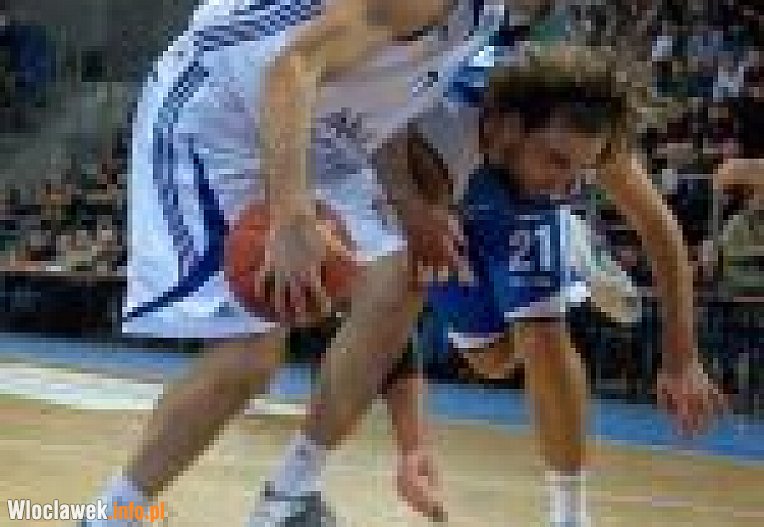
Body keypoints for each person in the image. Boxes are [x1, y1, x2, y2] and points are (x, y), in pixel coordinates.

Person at [78, 0, 542, 525]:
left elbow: (385, 112)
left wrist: (411, 207)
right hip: (222, 103)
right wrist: (291, 216)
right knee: (249, 354)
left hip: (318, 128)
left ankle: (289, 496)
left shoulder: (484, 19)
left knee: (401, 272)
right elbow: (292, 66)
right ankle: (112, 516)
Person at [265, 46, 727, 527]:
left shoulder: (580, 132)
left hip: (515, 206)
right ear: (506, 128)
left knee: (542, 336)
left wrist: (681, 359)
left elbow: (660, 231)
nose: (569, 185)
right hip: (437, 199)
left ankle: (570, 515)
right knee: (491, 362)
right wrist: (416, 211)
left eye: (580, 171)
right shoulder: (437, 115)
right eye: (557, 161)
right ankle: (571, 253)